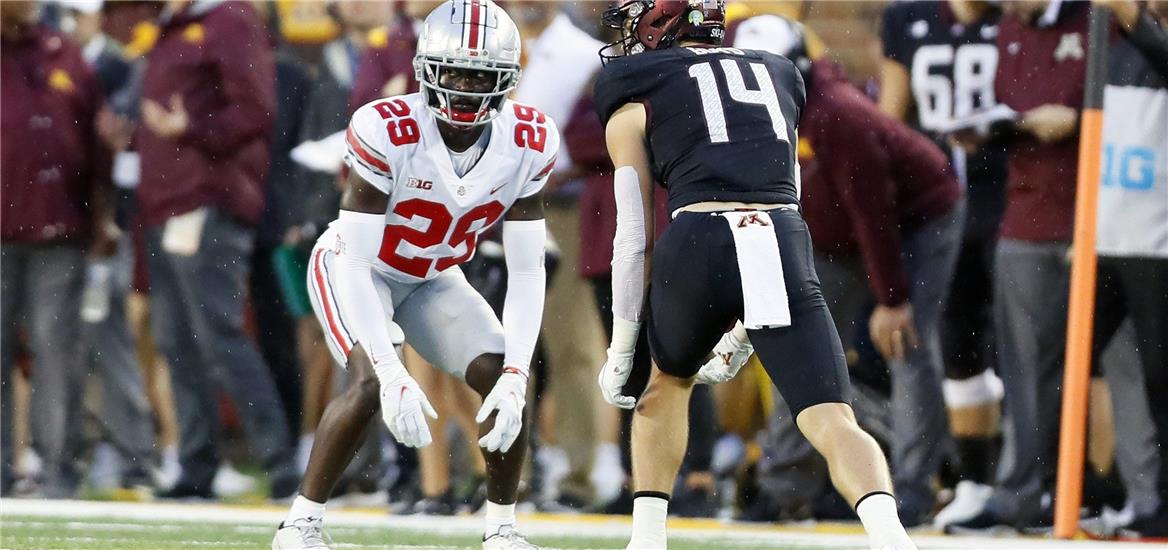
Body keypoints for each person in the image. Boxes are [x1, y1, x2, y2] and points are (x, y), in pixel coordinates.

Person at [591, 2, 915, 549]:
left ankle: (647, 541)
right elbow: (786, 198)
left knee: (666, 385)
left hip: (698, 239)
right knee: (833, 417)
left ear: (663, 22)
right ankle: (891, 538)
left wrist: (624, 348)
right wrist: (748, 325)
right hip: (781, 239)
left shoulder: (633, 88)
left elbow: (633, 235)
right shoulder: (778, 71)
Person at [272, 1, 556, 549]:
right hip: (357, 268)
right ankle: (301, 523)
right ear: (427, 70)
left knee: (501, 381)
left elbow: (527, 271)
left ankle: (501, 530)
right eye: (455, 73)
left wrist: (519, 371)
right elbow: (356, 261)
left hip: (433, 275)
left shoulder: (528, 141)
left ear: (506, 80)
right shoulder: (387, 128)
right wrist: (391, 366)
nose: (468, 88)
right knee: (374, 382)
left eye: (482, 76)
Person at [713, 13, 966, 527]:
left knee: (908, 345)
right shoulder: (755, 114)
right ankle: (785, 487)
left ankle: (914, 488)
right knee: (794, 347)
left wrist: (892, 299)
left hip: (915, 219)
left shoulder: (836, 115)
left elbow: (873, 211)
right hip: (836, 230)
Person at [137, 0, 297, 499]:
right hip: (164, 202)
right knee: (176, 342)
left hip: (206, 198)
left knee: (220, 336)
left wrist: (190, 129)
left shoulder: (230, 19)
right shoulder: (172, 26)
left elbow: (256, 110)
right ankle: (197, 466)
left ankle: (283, 467)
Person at [878, 0, 1007, 528]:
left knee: (1024, 348)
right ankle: (973, 480)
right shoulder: (907, 18)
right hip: (941, 204)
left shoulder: (1021, 17)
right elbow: (891, 117)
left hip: (1013, 196)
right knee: (956, 346)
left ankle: (1032, 482)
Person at [1, 0, 118, 498]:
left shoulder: (63, 54)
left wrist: (103, 215)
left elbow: (97, 141)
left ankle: (59, 467)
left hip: (60, 226)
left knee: (56, 350)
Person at [60, 0, 156, 491]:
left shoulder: (121, 66)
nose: (68, 23)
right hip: (60, 222)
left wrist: (113, 219)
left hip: (108, 226)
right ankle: (79, 447)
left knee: (107, 334)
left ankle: (133, 450)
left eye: (75, 14)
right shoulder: (50, 61)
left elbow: (123, 147)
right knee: (67, 342)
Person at [1092, 0, 1168, 537]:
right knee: (1066, 362)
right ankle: (1094, 489)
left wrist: (1136, 22)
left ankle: (1159, 502)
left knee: (1162, 380)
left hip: (1159, 240)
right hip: (1108, 234)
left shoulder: (1143, 38)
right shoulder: (1112, 47)